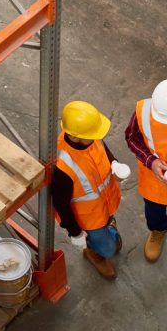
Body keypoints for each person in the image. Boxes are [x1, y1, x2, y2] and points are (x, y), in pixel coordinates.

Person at [52, 101, 130, 280]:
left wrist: (114, 163)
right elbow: (61, 204)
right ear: (74, 136)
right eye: (93, 134)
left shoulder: (90, 137)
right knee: (109, 249)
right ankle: (93, 252)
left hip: (107, 202)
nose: (97, 137)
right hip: (89, 219)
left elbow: (103, 148)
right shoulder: (63, 168)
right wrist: (75, 232)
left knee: (111, 230)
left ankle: (107, 231)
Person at [125, 78, 167, 263]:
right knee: (153, 212)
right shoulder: (144, 112)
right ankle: (158, 230)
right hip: (154, 179)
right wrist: (151, 161)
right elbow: (131, 137)